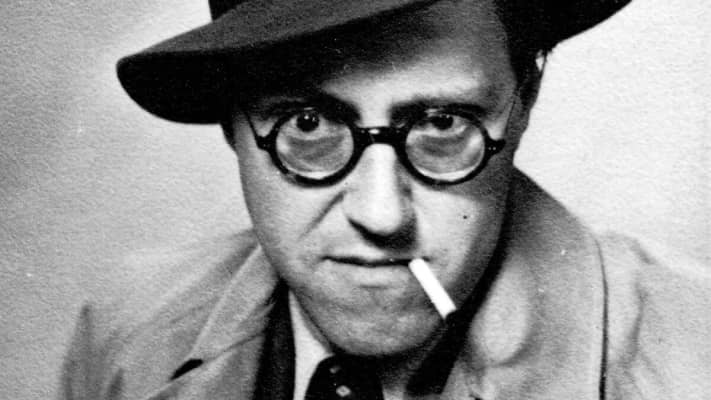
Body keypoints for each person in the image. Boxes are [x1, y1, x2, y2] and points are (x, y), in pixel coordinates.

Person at [59, 0, 711, 399]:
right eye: (308, 124)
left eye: (443, 123)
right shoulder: (124, 336)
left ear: (522, 104)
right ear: (232, 121)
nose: (382, 215)